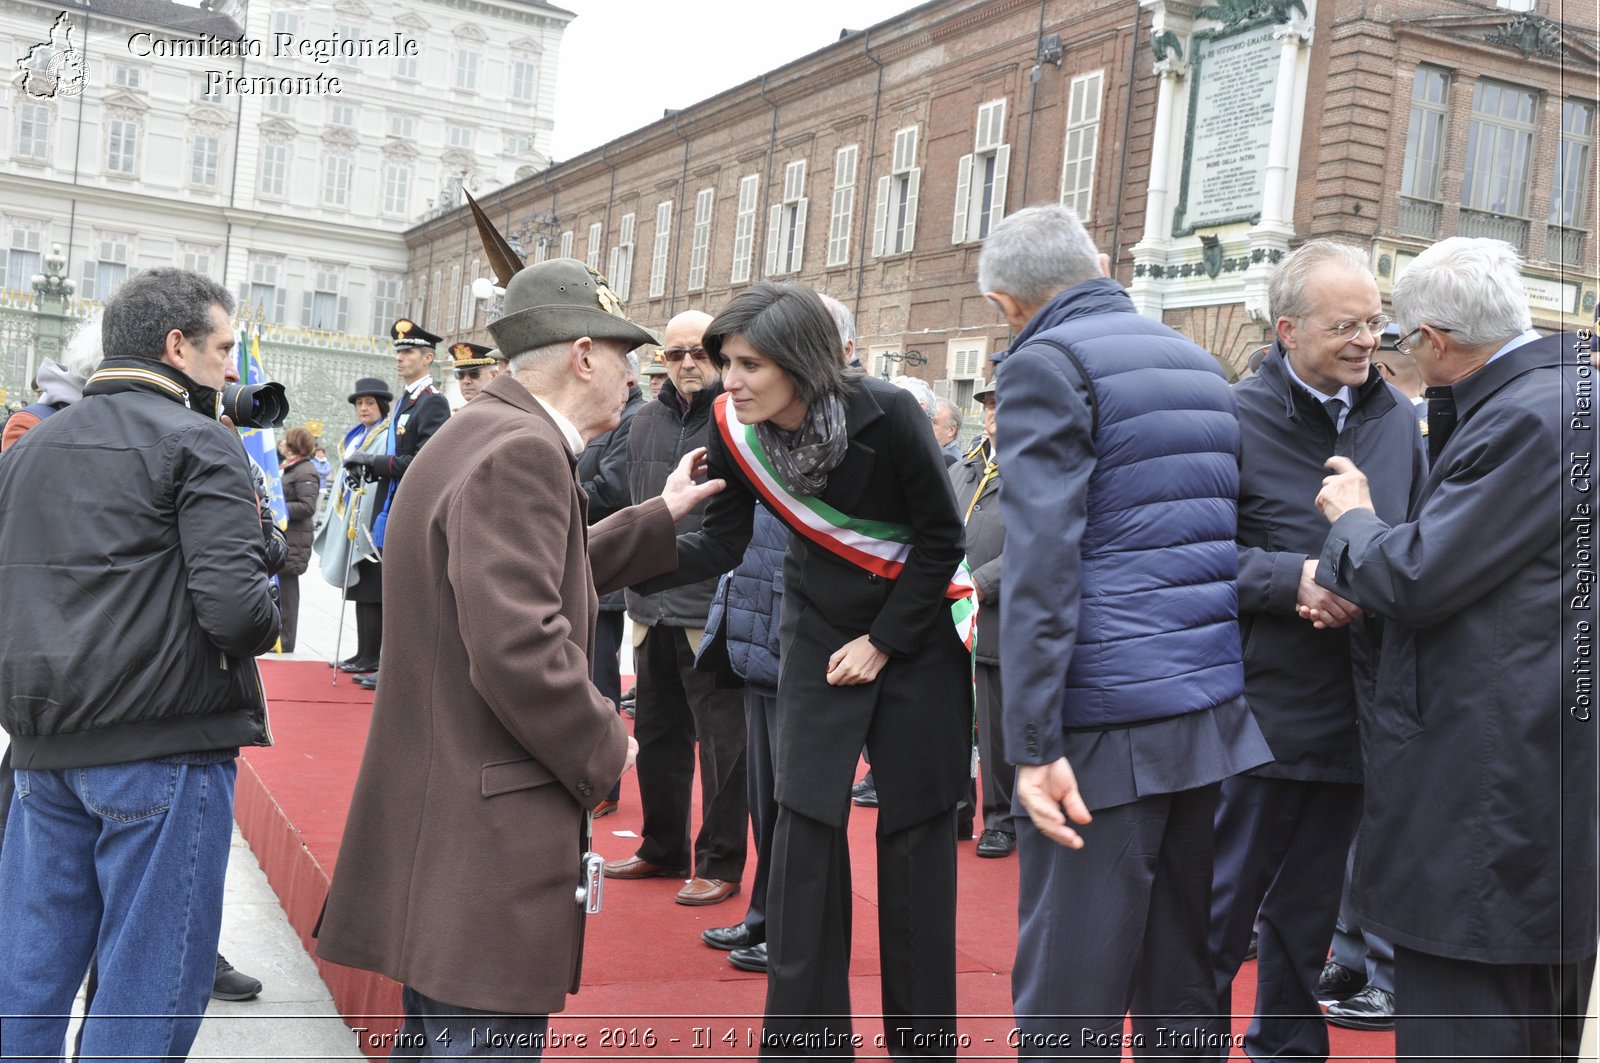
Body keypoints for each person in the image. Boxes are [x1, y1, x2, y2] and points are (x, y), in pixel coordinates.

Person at [315, 257, 722, 1058]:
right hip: (481, 840)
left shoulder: (487, 429)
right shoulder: (523, 451)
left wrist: (657, 516)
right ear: (582, 354)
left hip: (443, 831)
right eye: (625, 356)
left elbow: (526, 570)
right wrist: (608, 743)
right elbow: (520, 644)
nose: (631, 375)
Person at [637, 281, 971, 1054]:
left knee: (915, 838)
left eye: (750, 363)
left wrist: (884, 640)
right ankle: (806, 1043)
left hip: (913, 634)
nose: (732, 380)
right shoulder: (733, 426)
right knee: (806, 834)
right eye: (727, 362)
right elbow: (721, 541)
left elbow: (939, 540)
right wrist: (645, 539)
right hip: (818, 633)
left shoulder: (888, 413)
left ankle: (924, 1043)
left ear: (801, 360)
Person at [981, 206, 1270, 1056]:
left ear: (1008, 304)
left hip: (1104, 720)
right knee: (1181, 971)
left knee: (1071, 984)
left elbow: (1043, 561)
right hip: (1203, 707)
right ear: (1096, 264)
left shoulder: (1046, 363)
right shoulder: (1198, 363)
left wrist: (1031, 745)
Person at [1312, 236, 1597, 1061]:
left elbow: (1420, 577)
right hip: (1531, 775)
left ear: (1435, 339)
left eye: (1398, 336)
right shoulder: (1561, 398)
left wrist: (1355, 519)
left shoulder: (1533, 417)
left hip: (1493, 787)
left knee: (1469, 1027)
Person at [0, 268, 279, 1058]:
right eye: (225, 348)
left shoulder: (29, 446)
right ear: (175, 346)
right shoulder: (200, 444)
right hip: (162, 754)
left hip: (42, 755)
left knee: (24, 984)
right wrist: (268, 575)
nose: (234, 369)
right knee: (144, 999)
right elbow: (239, 616)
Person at [1204, 240, 1426, 1059]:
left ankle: (1289, 1049)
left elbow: (1417, 545)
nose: (1369, 339)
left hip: (1358, 715)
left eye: (1375, 321)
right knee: (1218, 917)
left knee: (1308, 923)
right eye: (1346, 326)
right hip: (1254, 719)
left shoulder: (1398, 420)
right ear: (1288, 329)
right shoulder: (1229, 416)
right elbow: (1180, 558)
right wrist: (1288, 579)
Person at [700, 297, 859, 974]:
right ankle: (768, 912)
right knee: (768, 798)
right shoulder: (757, 431)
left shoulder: (854, 432)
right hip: (761, 631)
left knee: (805, 805)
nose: (734, 378)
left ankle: (798, 927)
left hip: (816, 649)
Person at [606, 310, 749, 908]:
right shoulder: (641, 421)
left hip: (711, 605)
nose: (687, 364)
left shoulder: (738, 419)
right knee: (659, 735)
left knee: (722, 745)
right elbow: (635, 505)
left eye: (698, 352)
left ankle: (719, 861)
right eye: (674, 354)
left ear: (716, 354)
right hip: (649, 604)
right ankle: (662, 846)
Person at [341, 318, 451, 690]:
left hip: (410, 508)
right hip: (390, 503)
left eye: (408, 352)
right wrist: (369, 469)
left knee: (402, 596)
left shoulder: (432, 402)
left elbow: (425, 461)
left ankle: (395, 669)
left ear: (428, 358)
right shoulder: (406, 400)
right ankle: (384, 663)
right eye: (399, 352)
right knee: (390, 591)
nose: (400, 358)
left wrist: (373, 462)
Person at [577, 350, 645, 816]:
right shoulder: (612, 415)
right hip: (588, 556)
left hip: (607, 561)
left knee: (602, 677)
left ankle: (605, 782)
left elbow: (614, 490)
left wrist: (559, 492)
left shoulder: (633, 418)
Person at [950, 378, 1012, 858]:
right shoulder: (962, 468)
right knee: (950, 721)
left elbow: (1039, 546)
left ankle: (1001, 819)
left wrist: (979, 584)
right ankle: (955, 807)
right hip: (948, 615)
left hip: (998, 620)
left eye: (1004, 403)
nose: (994, 412)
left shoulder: (1036, 473)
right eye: (989, 404)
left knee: (993, 728)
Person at [318, 378, 393, 676]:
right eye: (359, 404)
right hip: (353, 519)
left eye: (369, 403)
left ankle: (372, 656)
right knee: (359, 593)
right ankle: (362, 652)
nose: (363, 408)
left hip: (370, 523)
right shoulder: (357, 436)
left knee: (373, 593)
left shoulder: (386, 435)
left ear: (381, 406)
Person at [278, 426, 321, 654]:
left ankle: (286, 640)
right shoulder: (290, 468)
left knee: (288, 593)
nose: (282, 443)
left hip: (294, 540)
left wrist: (279, 507)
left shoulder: (305, 471)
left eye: (286, 440)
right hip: (286, 537)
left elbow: (307, 507)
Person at [932, 398, 963, 466]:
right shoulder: (933, 454)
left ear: (951, 430)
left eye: (933, 422)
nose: (927, 425)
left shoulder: (954, 463)